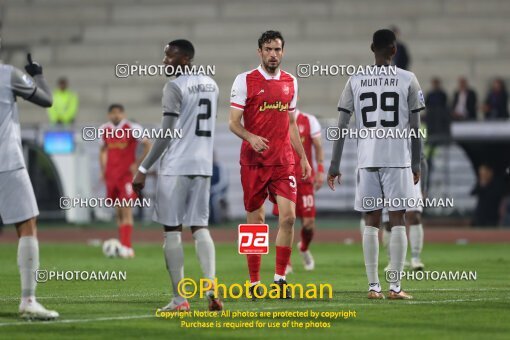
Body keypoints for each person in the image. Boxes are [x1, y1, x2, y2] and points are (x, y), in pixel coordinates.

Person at [328, 29, 424, 300]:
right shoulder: (408, 79)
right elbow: (415, 128)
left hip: (367, 160)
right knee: (398, 220)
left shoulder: (356, 79)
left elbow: (341, 126)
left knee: (370, 221)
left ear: (372, 48)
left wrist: (334, 164)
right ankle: (395, 287)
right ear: (395, 50)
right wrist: (416, 163)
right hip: (397, 160)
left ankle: (373, 287)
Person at [132, 39, 222, 311]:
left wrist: (143, 168)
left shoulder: (173, 86)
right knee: (200, 227)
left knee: (172, 231)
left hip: (176, 166)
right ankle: (211, 288)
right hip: (203, 165)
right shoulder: (212, 84)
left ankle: (179, 299)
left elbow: (166, 133)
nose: (164, 62)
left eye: (168, 56)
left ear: (183, 59)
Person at [229, 30, 311, 299]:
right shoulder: (245, 81)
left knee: (288, 217)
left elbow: (290, 125)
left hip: (283, 162)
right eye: (268, 49)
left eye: (277, 49)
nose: (273, 54)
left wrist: (302, 157)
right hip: (253, 163)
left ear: (283, 52)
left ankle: (279, 279)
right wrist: (250, 137)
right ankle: (254, 283)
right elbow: (233, 122)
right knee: (256, 222)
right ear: (259, 52)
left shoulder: (291, 82)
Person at [0, 53, 59, 319]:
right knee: (27, 224)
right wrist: (37, 74)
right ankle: (28, 300)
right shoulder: (8, 74)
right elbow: (46, 100)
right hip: (6, 161)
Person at [272, 109, 324, 273]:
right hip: (283, 177)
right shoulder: (275, 118)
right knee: (286, 220)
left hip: (304, 179)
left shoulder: (309, 120)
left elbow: (318, 146)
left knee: (309, 224)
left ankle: (303, 248)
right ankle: (285, 262)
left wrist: (320, 169)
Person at [99, 104, 151, 257]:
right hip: (111, 176)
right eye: (113, 113)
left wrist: (138, 163)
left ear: (123, 114)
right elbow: (102, 150)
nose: (116, 116)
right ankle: (123, 245)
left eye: (118, 113)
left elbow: (147, 145)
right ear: (109, 115)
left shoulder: (132, 128)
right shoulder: (104, 129)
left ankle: (128, 246)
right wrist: (103, 169)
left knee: (126, 209)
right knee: (119, 212)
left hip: (127, 176)